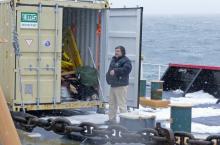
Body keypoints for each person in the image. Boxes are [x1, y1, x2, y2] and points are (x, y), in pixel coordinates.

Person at [105, 46, 132, 124]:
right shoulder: (113, 59)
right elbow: (110, 70)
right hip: (113, 85)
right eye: (115, 51)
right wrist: (108, 78)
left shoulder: (126, 61)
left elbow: (127, 70)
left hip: (121, 85)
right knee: (112, 104)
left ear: (122, 52)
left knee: (122, 104)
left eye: (118, 51)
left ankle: (124, 121)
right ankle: (111, 119)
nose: (116, 52)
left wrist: (116, 71)